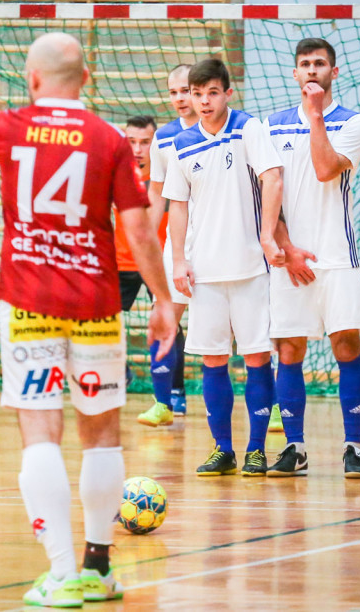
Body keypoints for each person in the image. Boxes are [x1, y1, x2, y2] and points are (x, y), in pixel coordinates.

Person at [0, 32, 176, 608]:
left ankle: (62, 573)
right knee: (102, 433)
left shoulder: (10, 127)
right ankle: (98, 567)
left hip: (27, 301)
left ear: (33, 79)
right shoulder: (108, 140)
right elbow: (139, 228)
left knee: (40, 430)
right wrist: (164, 301)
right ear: (86, 80)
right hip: (95, 304)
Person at [162, 58, 285, 477]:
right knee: (212, 361)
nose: (203, 101)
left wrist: (268, 235)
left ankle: (255, 449)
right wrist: (179, 259)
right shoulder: (181, 143)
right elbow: (178, 206)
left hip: (251, 268)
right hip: (205, 271)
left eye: (212, 93)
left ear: (227, 93)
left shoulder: (249, 128)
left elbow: (273, 177)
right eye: (197, 94)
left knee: (255, 359)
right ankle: (222, 449)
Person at [264, 37, 360, 479]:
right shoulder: (271, 126)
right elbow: (266, 198)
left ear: (334, 71)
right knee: (289, 350)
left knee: (346, 345)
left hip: (337, 256)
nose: (312, 70)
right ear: (294, 73)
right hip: (290, 259)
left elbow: (326, 168)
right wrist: (286, 249)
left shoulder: (354, 122)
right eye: (305, 64)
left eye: (320, 64)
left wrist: (314, 118)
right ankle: (295, 448)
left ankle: (354, 448)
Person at [137, 64, 197, 425]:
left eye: (186, 90)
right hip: (179, 245)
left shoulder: (234, 130)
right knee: (162, 321)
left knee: (251, 332)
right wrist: (144, 237)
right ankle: (163, 404)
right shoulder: (163, 136)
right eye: (173, 91)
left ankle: (270, 409)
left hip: (227, 243)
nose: (179, 98)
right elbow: (157, 195)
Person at [112, 115, 168, 390]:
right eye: (131, 142)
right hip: (122, 262)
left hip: (158, 262)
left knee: (169, 320)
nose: (137, 149)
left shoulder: (167, 176)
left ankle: (173, 390)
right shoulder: (116, 173)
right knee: (104, 318)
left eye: (144, 142)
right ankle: (118, 371)